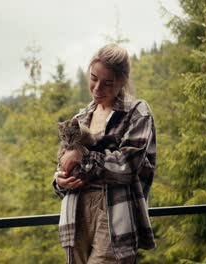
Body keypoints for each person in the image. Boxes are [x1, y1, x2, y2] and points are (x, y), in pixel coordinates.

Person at [52, 43, 156, 264]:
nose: (98, 88)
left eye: (108, 83)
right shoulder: (81, 117)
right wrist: (61, 180)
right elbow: (63, 163)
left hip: (114, 212)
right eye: (93, 78)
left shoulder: (137, 112)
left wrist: (83, 157)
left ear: (122, 81)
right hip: (75, 212)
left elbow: (128, 165)